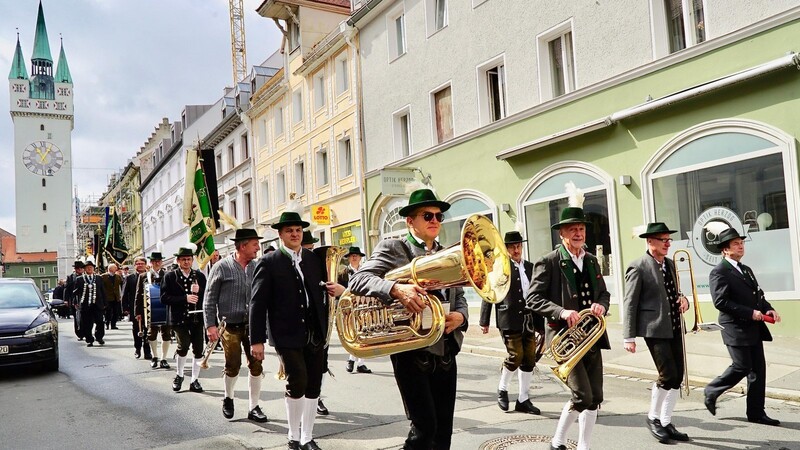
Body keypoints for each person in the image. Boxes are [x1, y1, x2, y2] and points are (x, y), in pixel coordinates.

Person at [349, 188, 469, 450]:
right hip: (412, 352)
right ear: (410, 221)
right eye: (427, 215)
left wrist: (461, 316)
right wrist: (395, 289)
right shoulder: (395, 247)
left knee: (443, 433)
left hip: (446, 349)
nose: (435, 220)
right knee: (425, 429)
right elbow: (357, 279)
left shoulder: (448, 251)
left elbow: (458, 293)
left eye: (438, 215)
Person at [526, 183, 610, 450]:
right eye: (572, 229)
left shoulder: (592, 261)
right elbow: (532, 299)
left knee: (595, 397)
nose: (578, 233)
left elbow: (604, 294)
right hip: (566, 340)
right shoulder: (549, 261)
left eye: (581, 229)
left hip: (592, 338)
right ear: (561, 233)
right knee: (582, 395)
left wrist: (600, 306)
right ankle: (558, 441)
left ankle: (583, 446)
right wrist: (562, 311)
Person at [250, 211, 342, 450]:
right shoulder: (268, 262)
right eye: (289, 231)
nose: (294, 234)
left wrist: (336, 289)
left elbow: (321, 289)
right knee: (297, 381)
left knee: (314, 385)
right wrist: (256, 340)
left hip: (315, 332)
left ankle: (307, 437)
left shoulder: (313, 260)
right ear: (280, 234)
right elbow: (257, 304)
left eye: (298, 230)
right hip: (286, 333)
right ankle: (293, 436)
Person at [704, 227, 781, 426]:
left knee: (758, 370)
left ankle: (756, 412)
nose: (741, 246)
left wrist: (768, 309)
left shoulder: (746, 269)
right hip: (735, 328)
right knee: (741, 366)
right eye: (736, 244)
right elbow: (721, 302)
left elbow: (758, 294)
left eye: (742, 243)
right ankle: (712, 390)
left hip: (753, 328)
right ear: (725, 250)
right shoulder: (719, 271)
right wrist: (750, 313)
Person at [622, 222, 690, 443]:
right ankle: (653, 418)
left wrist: (684, 300)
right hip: (654, 328)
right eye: (664, 240)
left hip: (674, 326)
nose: (668, 243)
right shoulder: (638, 266)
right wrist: (628, 337)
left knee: (678, 377)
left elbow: (675, 292)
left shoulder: (669, 264)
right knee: (668, 374)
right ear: (650, 241)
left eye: (669, 240)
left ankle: (666, 420)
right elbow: (630, 303)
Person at [204, 228, 268, 422]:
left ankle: (254, 406)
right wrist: (210, 326)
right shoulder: (221, 267)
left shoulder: (257, 267)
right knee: (233, 365)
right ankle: (228, 398)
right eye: (254, 243)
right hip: (228, 326)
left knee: (256, 365)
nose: (258, 247)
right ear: (242, 246)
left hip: (252, 326)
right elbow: (209, 298)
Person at [480, 230, 542, 415]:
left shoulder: (530, 267)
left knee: (529, 359)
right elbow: (488, 293)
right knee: (516, 356)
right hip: (508, 318)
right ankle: (503, 389)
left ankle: (523, 399)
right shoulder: (499, 267)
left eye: (518, 246)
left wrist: (542, 324)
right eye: (512, 247)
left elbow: (538, 295)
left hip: (529, 318)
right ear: (506, 249)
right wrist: (484, 320)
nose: (516, 250)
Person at [161, 245, 207, 393]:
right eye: (183, 259)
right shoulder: (170, 276)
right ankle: (179, 375)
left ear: (192, 260)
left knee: (199, 349)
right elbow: (164, 298)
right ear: (178, 261)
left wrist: (199, 293)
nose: (186, 262)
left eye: (189, 259)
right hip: (179, 318)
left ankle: (195, 380)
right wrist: (184, 298)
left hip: (196, 317)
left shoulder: (199, 276)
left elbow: (206, 297)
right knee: (184, 345)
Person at [337, 246, 372, 375]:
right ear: (349, 258)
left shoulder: (365, 271)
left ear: (360, 258)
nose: (354, 257)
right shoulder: (342, 273)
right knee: (352, 334)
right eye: (352, 255)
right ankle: (353, 360)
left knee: (364, 333)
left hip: (364, 306)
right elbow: (338, 291)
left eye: (357, 255)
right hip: (349, 308)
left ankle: (358, 362)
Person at [135, 250, 171, 369]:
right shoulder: (144, 276)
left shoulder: (168, 275)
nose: (156, 263)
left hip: (166, 308)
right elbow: (138, 295)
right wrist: (138, 312)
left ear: (162, 262)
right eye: (154, 261)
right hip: (150, 309)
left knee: (166, 334)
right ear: (151, 262)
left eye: (159, 261)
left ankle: (164, 358)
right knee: (151, 334)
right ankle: (155, 356)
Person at [74, 256, 108, 347]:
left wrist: (105, 303)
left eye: (91, 267)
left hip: (97, 304)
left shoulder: (98, 278)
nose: (89, 269)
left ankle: (99, 337)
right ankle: (89, 339)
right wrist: (76, 302)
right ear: (84, 269)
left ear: (93, 269)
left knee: (100, 322)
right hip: (85, 305)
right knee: (87, 323)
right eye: (87, 268)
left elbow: (103, 291)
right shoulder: (80, 279)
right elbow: (76, 292)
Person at [123, 257, 151, 359]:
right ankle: (138, 348)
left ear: (145, 264)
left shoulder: (149, 276)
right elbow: (125, 294)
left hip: (148, 307)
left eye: (142, 263)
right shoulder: (130, 278)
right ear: (135, 265)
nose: (140, 265)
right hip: (135, 308)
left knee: (148, 330)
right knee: (137, 329)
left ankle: (147, 351)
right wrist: (125, 307)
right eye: (138, 264)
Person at [65, 260, 85, 340]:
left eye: (81, 268)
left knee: (85, 317)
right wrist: (66, 300)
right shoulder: (71, 277)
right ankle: (79, 333)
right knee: (77, 318)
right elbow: (67, 289)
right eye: (78, 268)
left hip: (85, 299)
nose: (79, 270)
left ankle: (86, 332)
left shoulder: (86, 276)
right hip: (74, 300)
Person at [101, 263, 123, 330]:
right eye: (115, 268)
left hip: (116, 297)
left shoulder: (118, 277)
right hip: (107, 297)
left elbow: (121, 285)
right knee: (108, 312)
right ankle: (106, 324)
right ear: (110, 269)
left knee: (115, 312)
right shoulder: (103, 276)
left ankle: (113, 324)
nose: (116, 269)